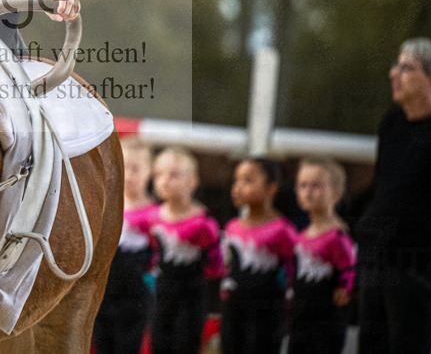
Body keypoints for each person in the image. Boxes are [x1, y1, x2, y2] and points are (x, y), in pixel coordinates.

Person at [356, 37, 431, 354]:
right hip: (376, 259)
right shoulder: (391, 124)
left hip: (417, 268)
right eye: (396, 65)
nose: (394, 73)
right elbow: (384, 187)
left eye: (407, 67)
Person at [148, 147, 222, 354]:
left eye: (174, 175)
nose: (164, 181)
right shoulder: (152, 218)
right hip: (162, 293)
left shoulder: (204, 224)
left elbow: (215, 267)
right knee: (159, 343)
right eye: (158, 175)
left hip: (191, 295)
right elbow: (151, 257)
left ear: (193, 181)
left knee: (185, 344)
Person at [220, 157, 297, 354]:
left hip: (267, 310)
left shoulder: (283, 231)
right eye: (236, 180)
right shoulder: (232, 227)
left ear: (271, 189)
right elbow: (227, 267)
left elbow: (293, 270)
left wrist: (289, 305)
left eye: (248, 180)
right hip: (233, 309)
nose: (238, 187)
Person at [93, 138, 157, 354]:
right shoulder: (105, 207)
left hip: (136, 298)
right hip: (103, 292)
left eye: (136, 169)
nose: (128, 175)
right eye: (124, 167)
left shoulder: (156, 214)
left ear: (149, 172)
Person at [288, 157, 356, 354]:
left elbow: (350, 270)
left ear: (336, 193)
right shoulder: (301, 236)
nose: (308, 192)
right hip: (300, 321)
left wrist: (346, 287)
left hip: (325, 325)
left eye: (316, 185)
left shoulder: (338, 236)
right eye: (302, 185)